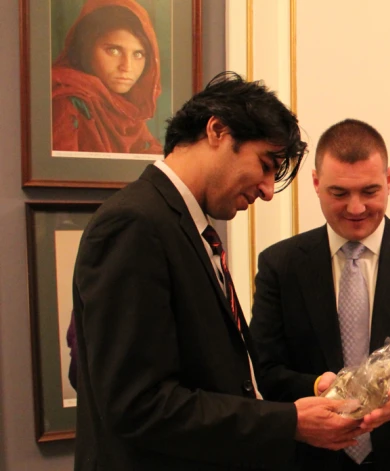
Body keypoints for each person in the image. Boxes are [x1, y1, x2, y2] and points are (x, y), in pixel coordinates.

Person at [72, 72, 363, 471]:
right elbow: (137, 404)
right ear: (217, 130)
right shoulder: (135, 224)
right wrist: (290, 422)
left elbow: (223, 373)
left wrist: (311, 392)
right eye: (265, 165)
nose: (265, 189)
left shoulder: (186, 228)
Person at [250, 118, 390, 471]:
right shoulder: (281, 264)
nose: (356, 208)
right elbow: (267, 368)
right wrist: (317, 385)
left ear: (388, 180)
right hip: (314, 458)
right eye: (339, 193)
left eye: (369, 191)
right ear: (316, 183)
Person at [52, 0, 163, 154]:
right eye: (113, 51)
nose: (127, 67)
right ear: (86, 48)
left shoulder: (129, 115)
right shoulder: (65, 105)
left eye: (138, 54)